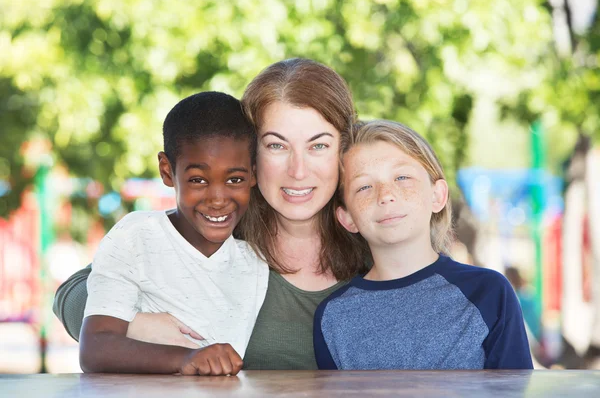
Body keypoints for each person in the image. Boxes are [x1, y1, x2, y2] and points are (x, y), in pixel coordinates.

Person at [53, 58, 369, 370]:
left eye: (318, 146)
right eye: (276, 146)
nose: (298, 171)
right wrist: (134, 325)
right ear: (251, 154)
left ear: (343, 149)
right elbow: (73, 295)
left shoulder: (376, 242)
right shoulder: (216, 228)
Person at [313, 120, 533, 370]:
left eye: (402, 177)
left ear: (437, 196)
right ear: (347, 218)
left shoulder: (490, 293)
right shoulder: (334, 317)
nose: (385, 195)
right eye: (364, 186)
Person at [79, 91, 269, 376]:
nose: (218, 198)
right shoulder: (135, 238)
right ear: (167, 171)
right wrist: (186, 358)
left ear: (254, 174)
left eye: (234, 179)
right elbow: (94, 348)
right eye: (198, 180)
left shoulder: (255, 259)